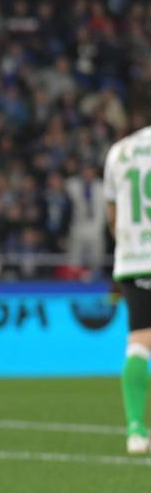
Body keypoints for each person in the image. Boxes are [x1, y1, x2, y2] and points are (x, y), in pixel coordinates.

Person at [104, 128, 151, 454]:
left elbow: (112, 216)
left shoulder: (119, 152)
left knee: (140, 340)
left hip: (133, 261)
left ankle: (136, 428)